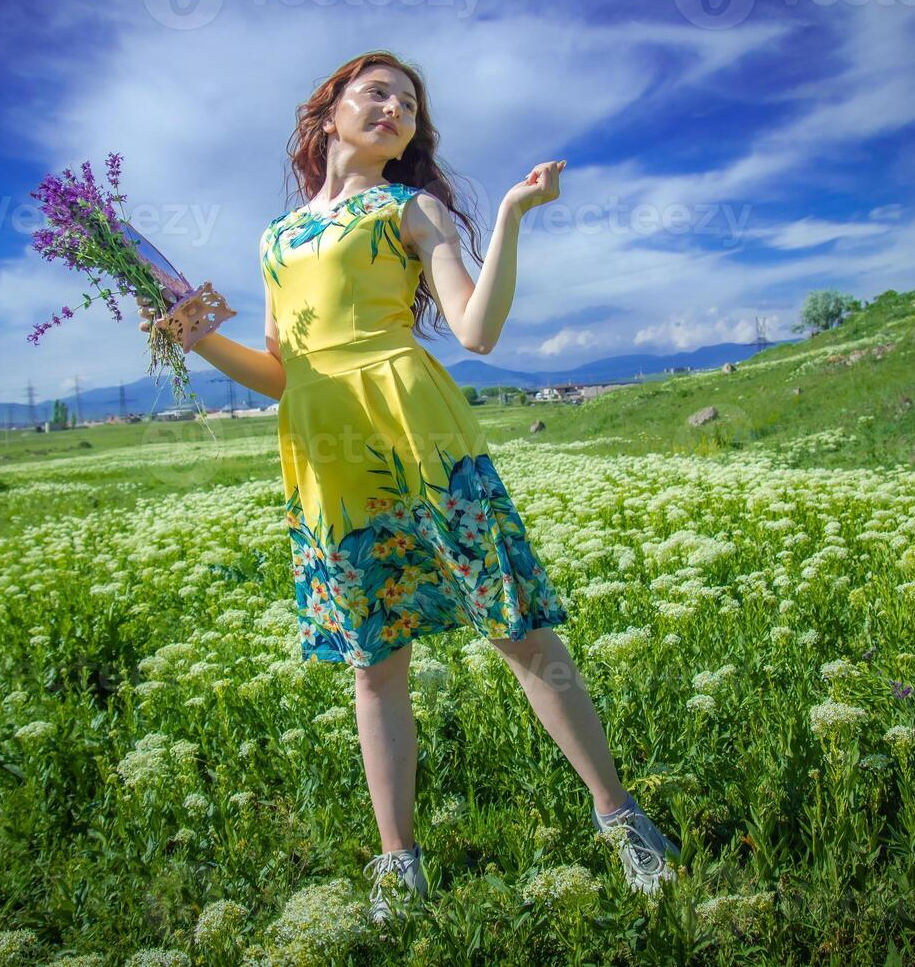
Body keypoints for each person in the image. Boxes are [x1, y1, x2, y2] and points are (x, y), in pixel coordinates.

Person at [138, 50, 678, 925]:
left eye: (410, 104)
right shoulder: (274, 238)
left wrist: (508, 214)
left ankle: (622, 820)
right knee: (374, 662)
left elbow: (476, 329)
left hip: (416, 429)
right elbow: (282, 372)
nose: (395, 108)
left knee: (518, 626)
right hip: (325, 450)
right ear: (327, 115)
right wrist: (194, 337)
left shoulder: (409, 208)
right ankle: (400, 863)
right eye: (377, 92)